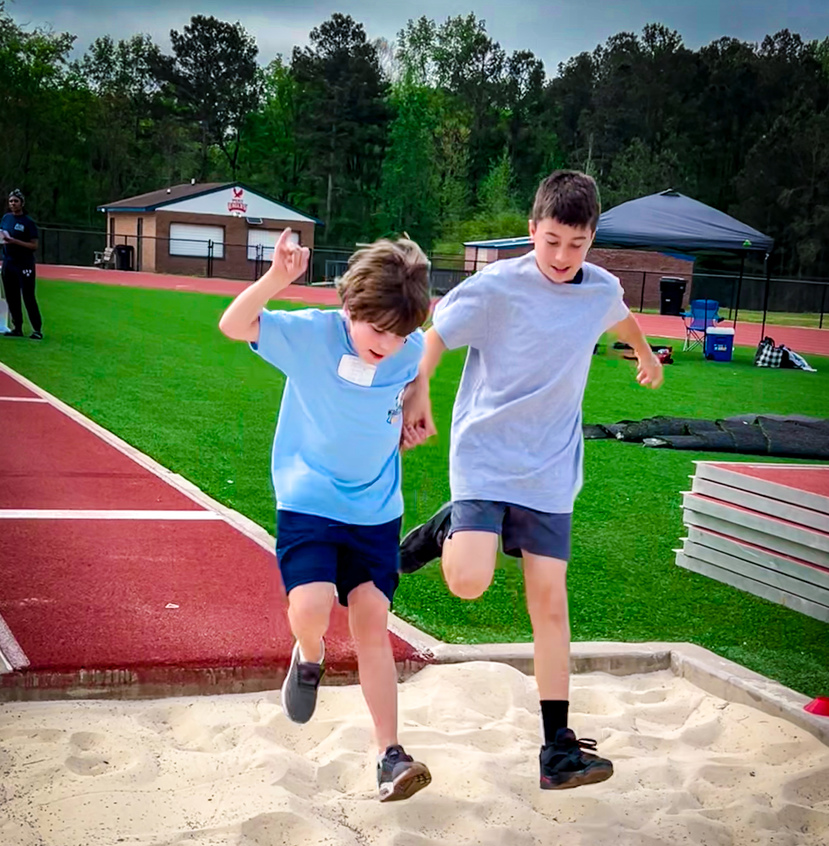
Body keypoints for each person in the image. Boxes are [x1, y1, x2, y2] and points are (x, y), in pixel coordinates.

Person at [400, 170, 665, 791]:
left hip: (550, 467)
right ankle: (443, 527)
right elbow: (435, 336)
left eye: (575, 245)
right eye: (550, 241)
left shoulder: (599, 289)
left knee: (550, 604)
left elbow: (621, 320)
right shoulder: (495, 288)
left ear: (592, 239)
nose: (561, 257)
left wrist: (646, 355)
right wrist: (419, 393)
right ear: (531, 230)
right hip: (486, 454)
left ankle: (557, 750)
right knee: (468, 581)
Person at [219, 229, 433, 802]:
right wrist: (275, 280)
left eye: (400, 333)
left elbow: (420, 356)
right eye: (378, 330)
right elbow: (234, 326)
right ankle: (308, 654)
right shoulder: (312, 336)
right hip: (310, 498)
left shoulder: (406, 347)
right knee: (311, 608)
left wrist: (421, 394)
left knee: (371, 621)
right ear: (349, 306)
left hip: (376, 510)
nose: (388, 344)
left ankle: (389, 755)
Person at [1, 189, 43, 339]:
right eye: (11, 201)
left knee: (28, 296)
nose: (13, 204)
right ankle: (16, 327)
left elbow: (34, 246)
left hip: (24, 264)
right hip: (8, 262)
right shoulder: (6, 218)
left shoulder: (28, 222)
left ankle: (36, 329)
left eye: (16, 201)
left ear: (22, 203)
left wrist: (14, 241)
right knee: (11, 296)